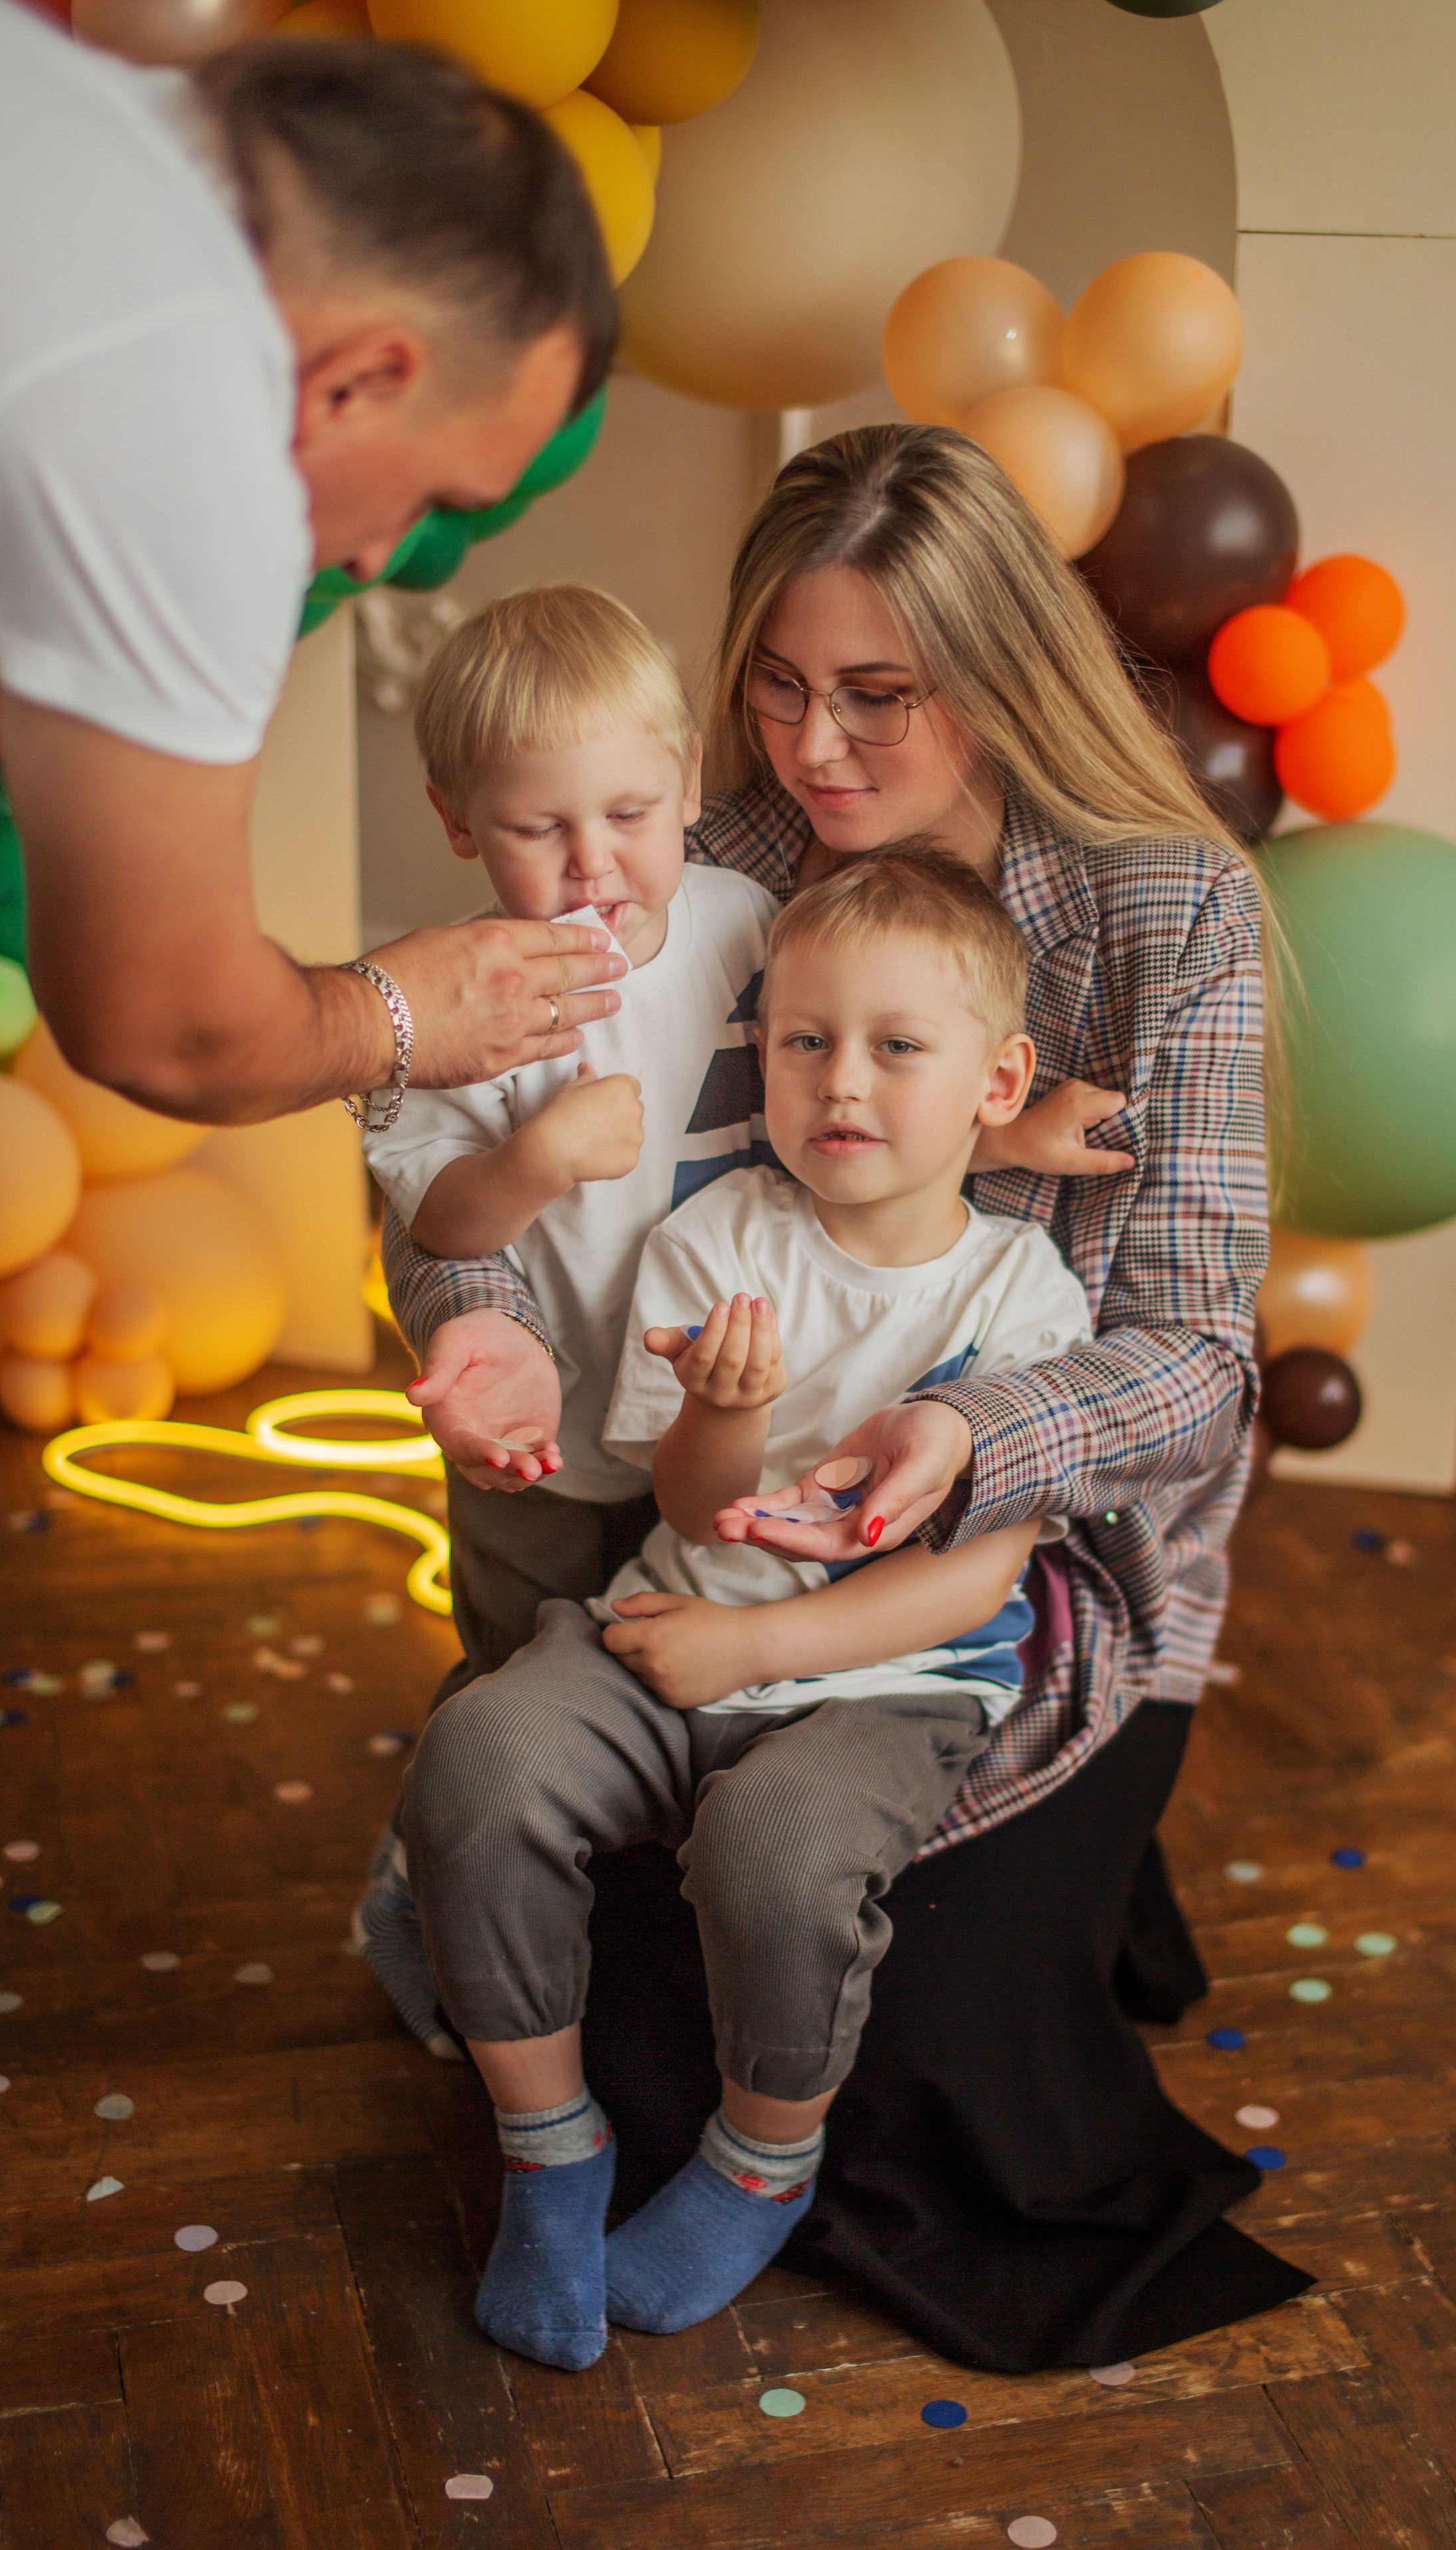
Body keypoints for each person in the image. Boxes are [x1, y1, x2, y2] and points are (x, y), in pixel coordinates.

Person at [387, 425, 1310, 2375]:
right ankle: (563, 2130)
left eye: (877, 697)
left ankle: (788, 2134)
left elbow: (1198, 1359)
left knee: (892, 2009)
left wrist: (977, 1434)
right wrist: (468, 1311)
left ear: (999, 672)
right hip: (713, 1531)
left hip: (1026, 1577)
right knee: (592, 1918)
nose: (814, 751)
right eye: (780, 690)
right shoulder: (713, 867)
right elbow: (491, 1120)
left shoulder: (1175, 916)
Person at [354, 584, 1101, 2058]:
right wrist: (532, 1161)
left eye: (628, 814)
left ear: (690, 786)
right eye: (535, 830)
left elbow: (843, 1093)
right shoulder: (450, 996)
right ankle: (433, 1904)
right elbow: (432, 1223)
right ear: (457, 822)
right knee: (517, 1706)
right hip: (551, 1446)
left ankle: (643, 1976)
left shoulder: (748, 924)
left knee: (685, 1713)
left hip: (726, 1427)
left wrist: (995, 1140)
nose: (589, 867)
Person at [399, 845, 1093, 2369]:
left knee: (779, 1855)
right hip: (669, 1616)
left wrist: (761, 1646)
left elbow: (976, 1572)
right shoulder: (719, 1239)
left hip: (889, 1669)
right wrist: (727, 1409)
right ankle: (550, 2145)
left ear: (997, 1082)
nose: (840, 1082)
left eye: (895, 1047)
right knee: (479, 1758)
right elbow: (688, 1505)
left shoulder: (1016, 1294)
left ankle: (759, 2163)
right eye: (801, 1041)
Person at [0, 0, 626, 1124]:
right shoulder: (192, 409)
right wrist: (394, 1013)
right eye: (427, 493)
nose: (369, 565)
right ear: (362, 381)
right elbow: (163, 1027)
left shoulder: (50, 105)